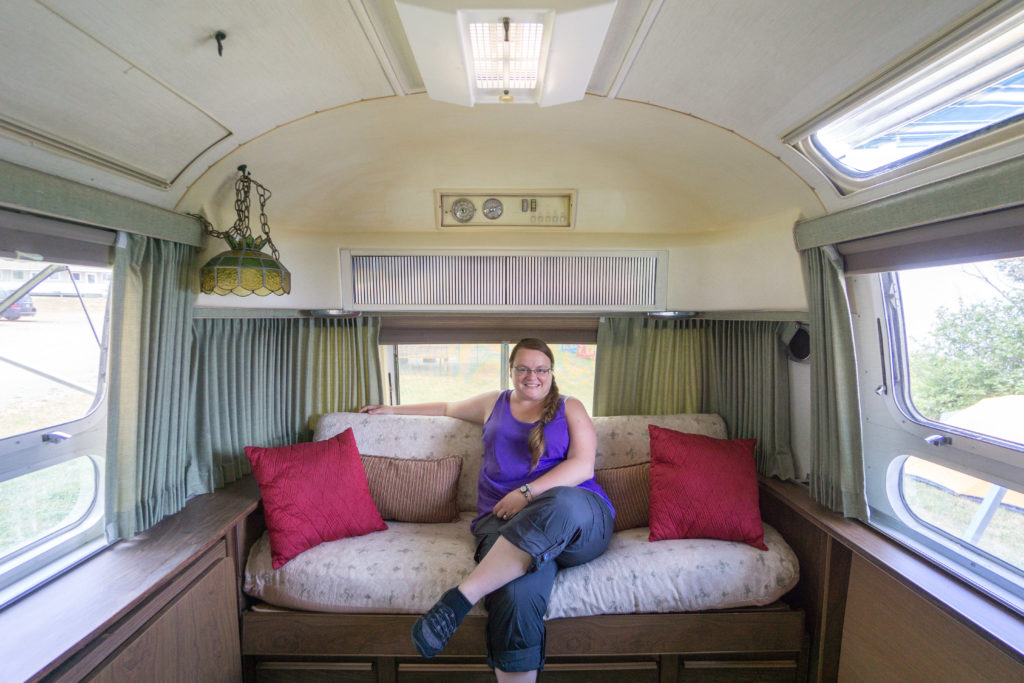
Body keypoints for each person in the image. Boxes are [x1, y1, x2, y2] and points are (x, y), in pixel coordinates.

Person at [360, 338, 614, 682]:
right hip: (503, 522)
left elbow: (582, 467)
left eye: (541, 370)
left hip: (578, 520)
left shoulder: (571, 408)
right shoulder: (493, 403)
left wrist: (526, 493)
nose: (532, 376)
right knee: (514, 591)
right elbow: (447, 407)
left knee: (561, 501)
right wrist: (392, 410)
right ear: (511, 371)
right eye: (523, 368)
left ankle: (459, 601)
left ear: (552, 373)